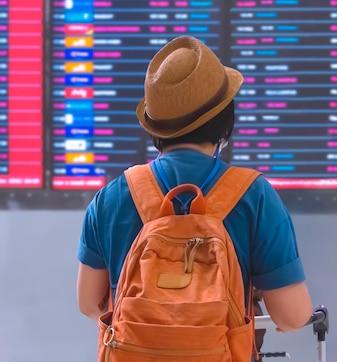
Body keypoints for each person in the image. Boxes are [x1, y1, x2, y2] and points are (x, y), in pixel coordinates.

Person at [76, 35, 313, 334]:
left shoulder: (109, 199)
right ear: (226, 120)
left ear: (155, 128)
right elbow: (292, 316)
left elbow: (89, 303)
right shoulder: (255, 196)